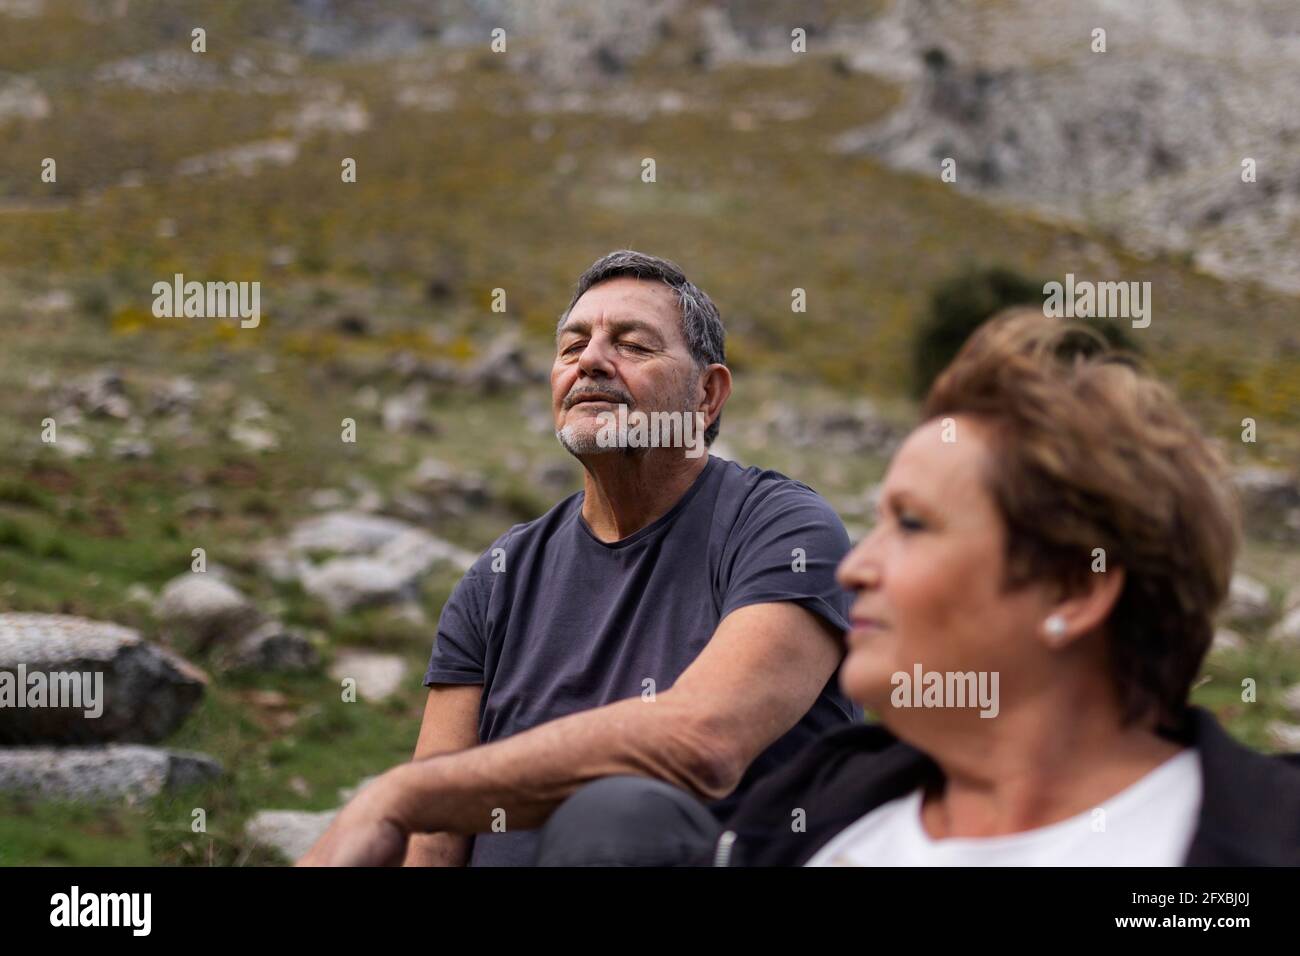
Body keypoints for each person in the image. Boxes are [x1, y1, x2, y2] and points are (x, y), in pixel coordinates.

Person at [536, 309, 1300, 866]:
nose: (853, 568)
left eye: (915, 525)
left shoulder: (1250, 847)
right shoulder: (807, 824)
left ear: (1075, 589)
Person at [299, 250, 860, 866]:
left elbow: (704, 739)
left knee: (619, 815)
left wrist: (400, 793)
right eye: (571, 347)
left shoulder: (781, 528)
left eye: (633, 345)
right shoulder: (498, 576)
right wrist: (409, 805)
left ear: (706, 394)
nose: (591, 360)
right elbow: (434, 838)